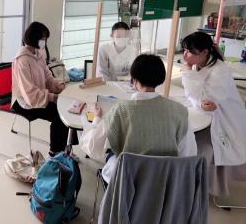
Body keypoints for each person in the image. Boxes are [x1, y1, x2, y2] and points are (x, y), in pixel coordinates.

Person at [80, 54, 197, 183]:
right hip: (164, 184)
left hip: (126, 183)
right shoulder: (180, 111)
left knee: (112, 154)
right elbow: (188, 154)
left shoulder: (120, 110)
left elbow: (92, 146)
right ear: (160, 79)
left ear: (133, 80)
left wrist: (97, 119)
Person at [181, 32, 246, 196]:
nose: (185, 55)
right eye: (184, 50)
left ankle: (204, 186)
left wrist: (188, 73)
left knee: (201, 145)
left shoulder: (219, 70)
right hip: (208, 114)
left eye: (190, 52)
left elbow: (206, 100)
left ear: (204, 53)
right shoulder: (199, 65)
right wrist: (200, 102)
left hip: (226, 119)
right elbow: (199, 100)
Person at [12, 22, 77, 156]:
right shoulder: (22, 61)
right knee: (60, 114)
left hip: (38, 96)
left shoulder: (37, 54)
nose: (44, 42)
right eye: (43, 38)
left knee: (68, 108)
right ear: (34, 38)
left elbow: (48, 76)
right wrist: (52, 97)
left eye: (45, 38)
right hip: (24, 103)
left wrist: (58, 87)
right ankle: (55, 152)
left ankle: (67, 147)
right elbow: (29, 93)